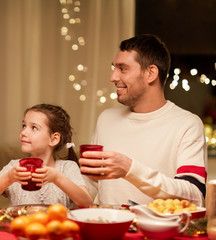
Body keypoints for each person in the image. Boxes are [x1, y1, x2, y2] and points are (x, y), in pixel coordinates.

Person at [79, 34, 207, 206]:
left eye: (122, 69)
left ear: (151, 73)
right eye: (114, 68)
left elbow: (194, 194)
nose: (113, 77)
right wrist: (53, 177)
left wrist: (130, 169)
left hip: (157, 231)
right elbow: (91, 185)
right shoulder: (106, 119)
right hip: (107, 227)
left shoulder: (187, 124)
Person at [0, 104, 92, 208]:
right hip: (20, 228)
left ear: (53, 139)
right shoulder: (14, 167)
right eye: (24, 126)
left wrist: (57, 178)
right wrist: (9, 178)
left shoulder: (67, 168)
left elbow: (87, 203)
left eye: (34, 128)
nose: (23, 132)